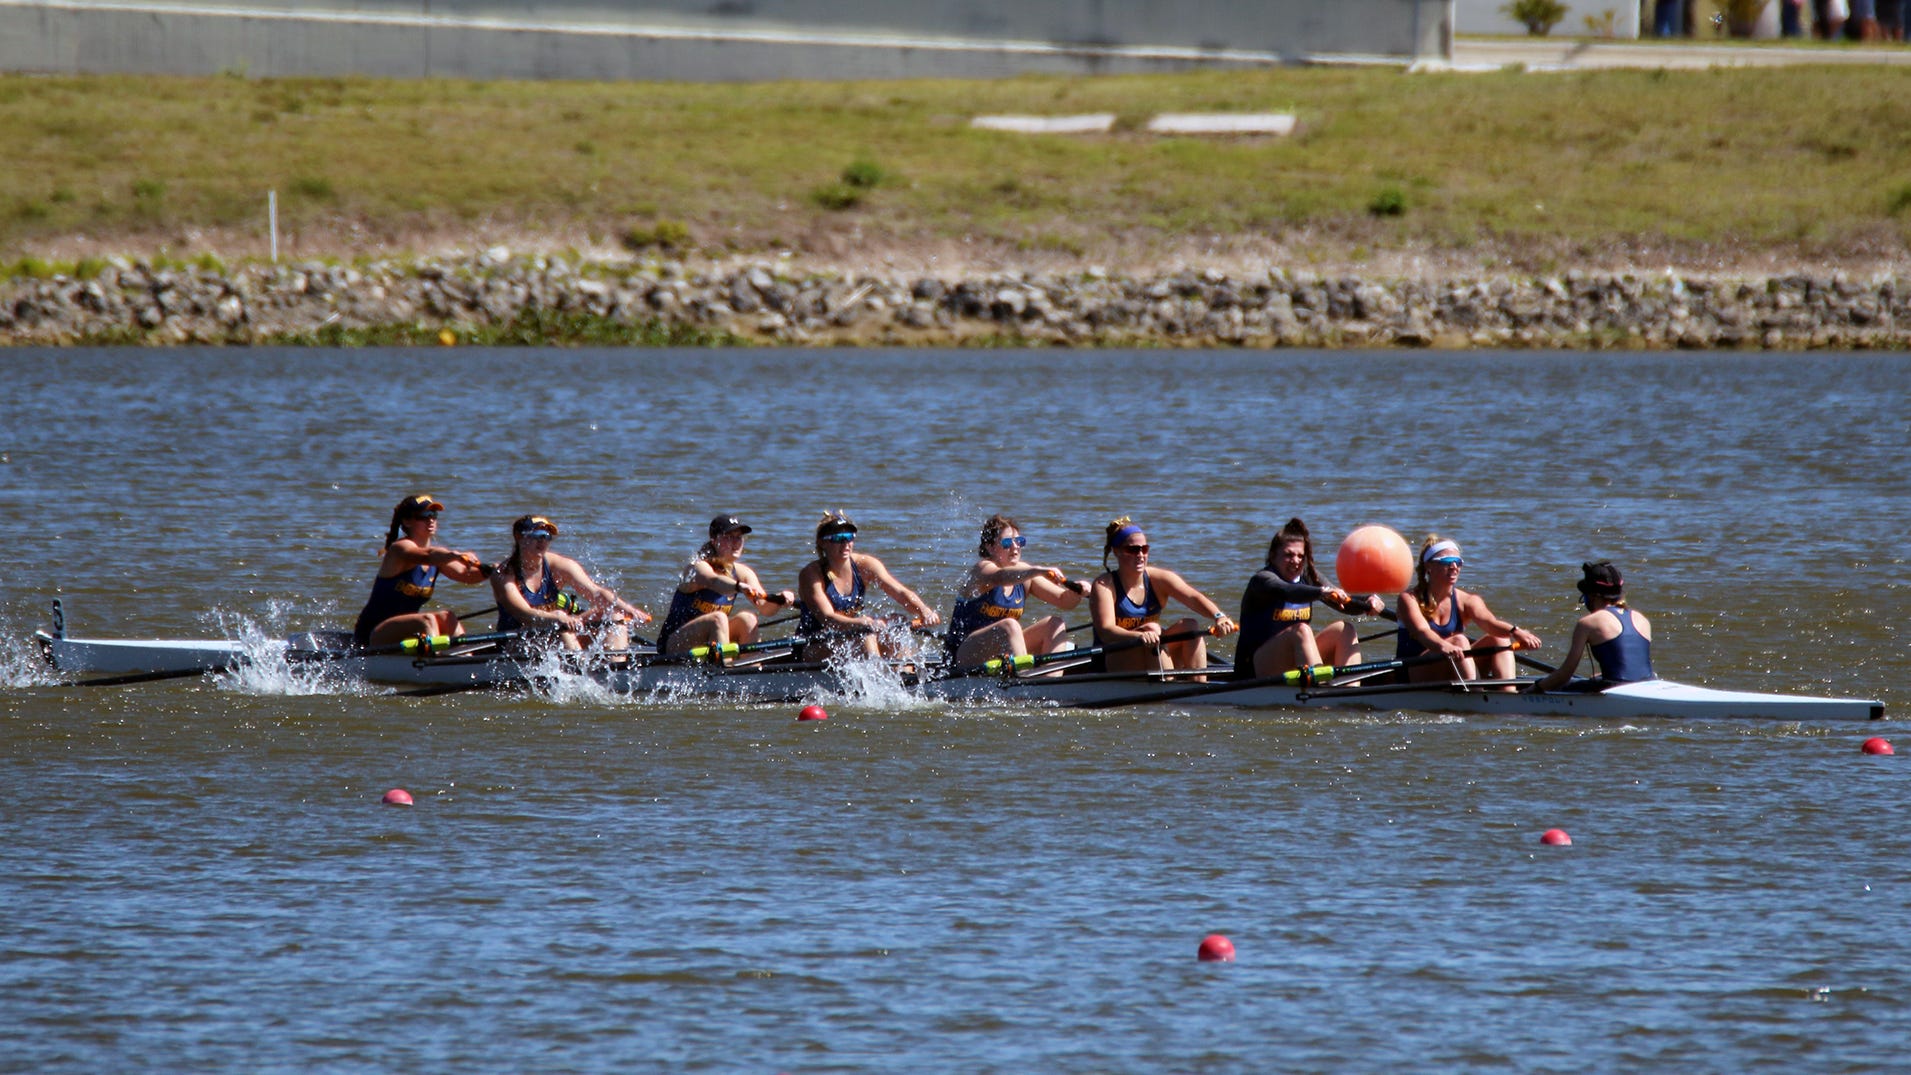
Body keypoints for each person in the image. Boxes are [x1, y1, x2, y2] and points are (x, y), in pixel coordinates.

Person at [1233, 518, 1384, 680]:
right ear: (1272, 556)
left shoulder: (1309, 577)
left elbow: (1345, 605)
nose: (1296, 561)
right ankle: (1320, 691)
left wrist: (1368, 601)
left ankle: (1349, 690)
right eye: (1288, 555)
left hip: (1293, 659)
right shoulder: (1263, 580)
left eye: (1300, 556)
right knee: (1302, 630)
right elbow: (1288, 591)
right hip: (1255, 667)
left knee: (1344, 630)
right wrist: (1321, 592)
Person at [1090, 516, 1235, 675]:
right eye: (1132, 549)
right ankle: (1169, 686)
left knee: (1190, 626)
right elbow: (1106, 631)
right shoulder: (1104, 585)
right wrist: (1139, 636)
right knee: (1152, 628)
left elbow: (1192, 597)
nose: (1140, 555)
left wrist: (1219, 617)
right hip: (1113, 658)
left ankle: (1198, 686)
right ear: (1116, 551)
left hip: (1150, 649)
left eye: (1144, 549)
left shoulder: (1158, 579)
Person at [944, 513, 1092, 668]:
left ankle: (1050, 681)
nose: (1015, 547)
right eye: (1007, 542)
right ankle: (1025, 682)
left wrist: (1077, 592)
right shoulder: (982, 570)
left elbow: (1064, 601)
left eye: (1019, 541)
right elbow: (999, 577)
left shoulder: (1026, 574)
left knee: (1055, 624)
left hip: (1000, 650)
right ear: (990, 547)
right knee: (1010, 626)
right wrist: (1039, 571)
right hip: (962, 655)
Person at [1395, 535, 1541, 689]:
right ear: (1428, 566)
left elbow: (1489, 623)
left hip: (1454, 663)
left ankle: (1508, 695)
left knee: (1500, 639)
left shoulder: (1467, 600)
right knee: (1460, 641)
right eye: (1446, 562)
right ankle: (1475, 696)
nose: (1453, 567)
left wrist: (1515, 632)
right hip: (1414, 671)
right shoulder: (1409, 599)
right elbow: (1422, 632)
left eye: (1458, 562)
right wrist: (1444, 646)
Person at [491, 514, 648, 652]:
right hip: (516, 643)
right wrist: (557, 618)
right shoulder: (503, 575)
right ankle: (578, 671)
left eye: (547, 536)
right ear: (519, 537)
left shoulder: (559, 566)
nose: (542, 541)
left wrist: (628, 609)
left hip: (557, 635)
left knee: (613, 615)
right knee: (559, 618)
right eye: (537, 535)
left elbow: (596, 593)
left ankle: (616, 671)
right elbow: (523, 613)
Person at [795, 511, 941, 659]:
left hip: (852, 636)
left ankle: (906, 672)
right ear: (823, 542)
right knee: (866, 636)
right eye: (838, 538)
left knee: (897, 623)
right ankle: (880, 677)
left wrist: (924, 611)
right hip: (813, 645)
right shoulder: (811, 575)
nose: (846, 544)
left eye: (849, 537)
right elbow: (828, 618)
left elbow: (900, 593)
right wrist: (862, 623)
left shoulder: (865, 565)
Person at [352, 493, 490, 647]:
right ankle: (437, 662)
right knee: (428, 620)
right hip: (373, 633)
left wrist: (495, 570)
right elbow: (426, 555)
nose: (430, 519)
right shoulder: (399, 548)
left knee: (448, 617)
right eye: (424, 515)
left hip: (405, 631)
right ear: (407, 521)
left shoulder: (440, 558)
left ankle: (464, 658)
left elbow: (466, 575)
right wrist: (457, 555)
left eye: (433, 515)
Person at [656, 514, 796, 657]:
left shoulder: (743, 573)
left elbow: (765, 608)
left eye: (739, 537)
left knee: (748, 619)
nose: (735, 542)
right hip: (674, 645)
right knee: (718, 618)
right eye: (728, 537)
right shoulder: (698, 567)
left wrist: (781, 599)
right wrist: (738, 586)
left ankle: (750, 670)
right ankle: (726, 671)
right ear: (714, 540)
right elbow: (713, 581)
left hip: (710, 642)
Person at [1533, 561, 1655, 692]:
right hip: (1648, 684)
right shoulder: (1641, 619)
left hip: (1615, 687)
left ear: (1592, 595)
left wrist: (1533, 690)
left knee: (1559, 686)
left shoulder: (1588, 623)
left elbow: (1564, 675)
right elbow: (1634, 665)